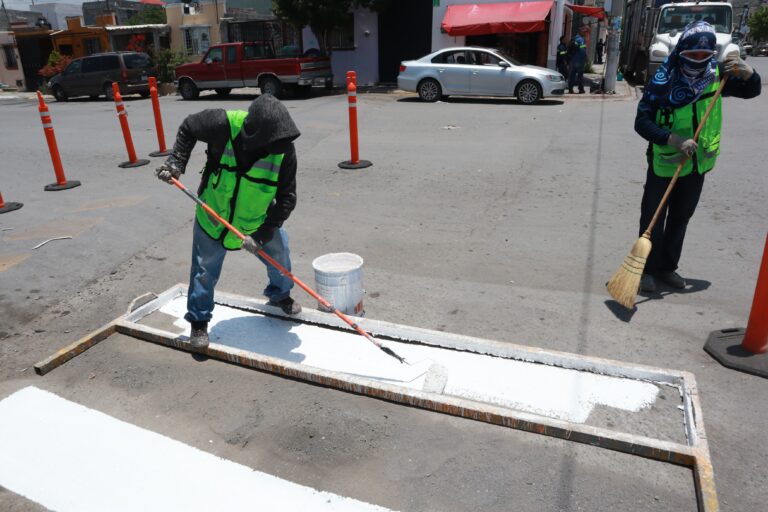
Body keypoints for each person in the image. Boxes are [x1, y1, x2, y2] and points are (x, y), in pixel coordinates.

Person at [155, 94, 303, 347]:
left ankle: (280, 295)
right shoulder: (223, 124)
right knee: (204, 271)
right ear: (255, 134)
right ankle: (199, 323)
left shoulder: (283, 149)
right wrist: (176, 161)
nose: (275, 149)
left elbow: (287, 198)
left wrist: (262, 235)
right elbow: (189, 126)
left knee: (280, 255)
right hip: (214, 214)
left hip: (257, 219)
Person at [634, 21, 761, 293]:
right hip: (664, 161)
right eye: (693, 56)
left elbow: (752, 91)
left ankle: (667, 268)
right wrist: (673, 139)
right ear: (681, 53)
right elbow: (641, 122)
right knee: (652, 219)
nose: (699, 61)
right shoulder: (663, 83)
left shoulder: (717, 78)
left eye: (705, 56)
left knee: (681, 218)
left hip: (697, 164)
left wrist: (749, 73)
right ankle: (646, 270)